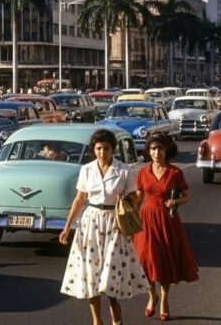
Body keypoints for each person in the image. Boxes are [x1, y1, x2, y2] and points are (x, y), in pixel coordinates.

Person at [60, 129, 144, 325]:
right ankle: (97, 321)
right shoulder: (86, 170)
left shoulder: (123, 170)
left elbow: (134, 196)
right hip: (91, 223)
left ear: (112, 149)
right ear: (93, 149)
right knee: (91, 274)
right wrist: (67, 226)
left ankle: (116, 316)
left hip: (114, 223)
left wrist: (128, 206)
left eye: (106, 148)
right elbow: (80, 199)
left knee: (111, 274)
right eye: (98, 148)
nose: (102, 152)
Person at [132, 133, 198, 320]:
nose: (156, 152)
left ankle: (164, 300)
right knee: (146, 259)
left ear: (166, 150)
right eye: (153, 148)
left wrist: (175, 201)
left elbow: (186, 196)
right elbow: (138, 198)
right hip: (146, 219)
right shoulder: (143, 172)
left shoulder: (175, 172)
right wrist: (128, 214)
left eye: (160, 148)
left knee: (165, 261)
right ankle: (152, 296)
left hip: (167, 220)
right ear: (148, 151)